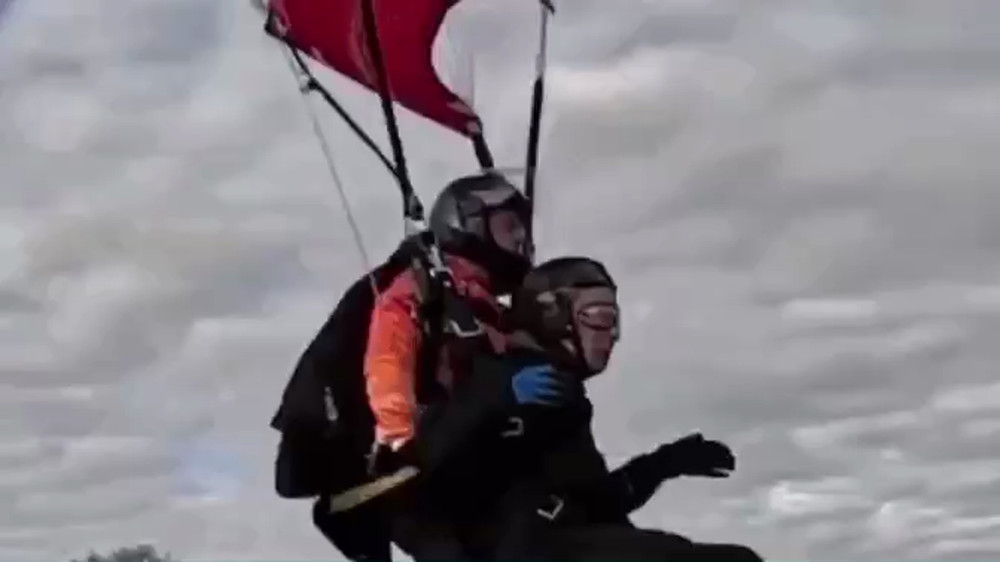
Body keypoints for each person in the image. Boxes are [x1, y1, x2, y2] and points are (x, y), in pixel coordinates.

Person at [394, 256, 764, 561]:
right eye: (600, 317)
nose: (612, 334)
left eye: (614, 321)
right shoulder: (497, 377)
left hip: (561, 543)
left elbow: (596, 503)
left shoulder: (561, 395)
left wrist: (664, 463)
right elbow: (425, 469)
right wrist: (495, 396)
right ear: (553, 314)